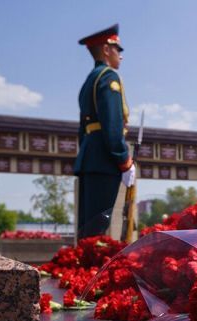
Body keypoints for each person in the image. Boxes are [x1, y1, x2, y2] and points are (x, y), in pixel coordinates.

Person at [74, 24, 135, 239]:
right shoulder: (109, 78)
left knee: (87, 226)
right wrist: (124, 159)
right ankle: (92, 272)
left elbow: (83, 130)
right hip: (104, 159)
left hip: (90, 157)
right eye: (118, 49)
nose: (120, 55)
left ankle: (81, 271)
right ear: (106, 49)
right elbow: (112, 124)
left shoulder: (89, 80)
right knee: (98, 228)